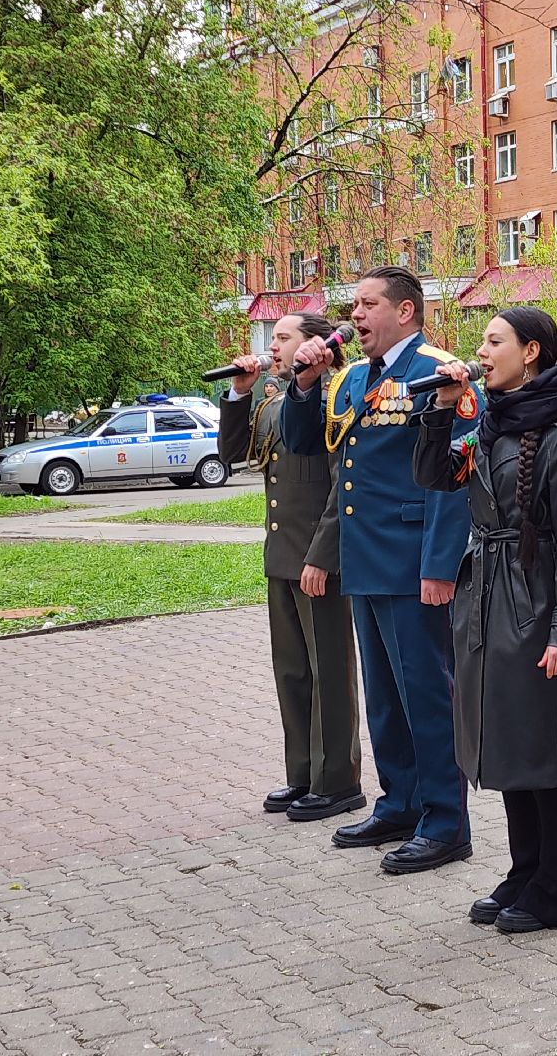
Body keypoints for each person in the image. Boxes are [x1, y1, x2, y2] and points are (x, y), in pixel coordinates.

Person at [282, 267, 479, 874]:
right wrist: (306, 384)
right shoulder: (350, 379)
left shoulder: (439, 372)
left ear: (407, 312)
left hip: (414, 561)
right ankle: (400, 801)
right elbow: (306, 446)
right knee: (385, 698)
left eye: (369, 304)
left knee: (426, 694)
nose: (356, 315)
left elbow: (456, 474)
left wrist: (441, 563)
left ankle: (446, 821)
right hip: (365, 560)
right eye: (354, 304)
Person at [413, 306, 557, 934]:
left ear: (533, 352)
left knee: (542, 747)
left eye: (494, 341)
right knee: (508, 741)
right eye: (482, 342)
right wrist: (439, 409)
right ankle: (526, 870)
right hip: (487, 599)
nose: (481, 352)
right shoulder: (489, 421)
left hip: (535, 600)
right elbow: (433, 474)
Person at [217, 313, 363, 822]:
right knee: (293, 672)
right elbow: (231, 454)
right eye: (272, 338)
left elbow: (341, 488)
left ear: (315, 346)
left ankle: (338, 780)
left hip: (319, 560)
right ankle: (302, 772)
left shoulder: (336, 400)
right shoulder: (277, 402)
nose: (272, 346)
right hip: (283, 557)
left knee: (330, 672)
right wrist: (239, 393)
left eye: (283, 338)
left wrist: (321, 557)